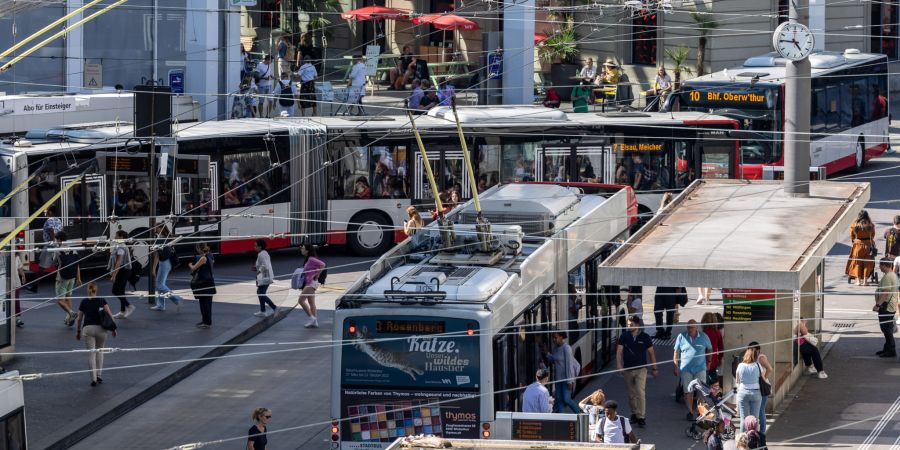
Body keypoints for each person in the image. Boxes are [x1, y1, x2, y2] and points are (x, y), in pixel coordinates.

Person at [616, 315, 657, 428]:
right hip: (628, 369)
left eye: (631, 325)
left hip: (641, 369)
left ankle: (641, 417)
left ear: (637, 325)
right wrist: (619, 364)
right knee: (631, 394)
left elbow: (651, 353)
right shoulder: (624, 336)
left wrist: (654, 368)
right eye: (628, 325)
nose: (629, 327)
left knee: (640, 392)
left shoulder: (645, 337)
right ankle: (634, 412)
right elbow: (619, 351)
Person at [75, 281, 117, 386]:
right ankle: (99, 376)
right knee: (100, 352)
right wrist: (114, 328)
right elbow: (110, 314)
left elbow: (79, 318)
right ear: (96, 290)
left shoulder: (83, 302)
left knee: (91, 354)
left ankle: (93, 379)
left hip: (88, 329)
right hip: (101, 329)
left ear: (88, 290)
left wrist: (78, 331)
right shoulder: (101, 300)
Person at [674, 319, 713, 421]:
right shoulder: (681, 336)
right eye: (688, 327)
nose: (689, 329)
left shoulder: (704, 337)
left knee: (701, 391)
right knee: (688, 391)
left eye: (691, 327)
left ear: (696, 327)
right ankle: (690, 412)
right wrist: (675, 366)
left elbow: (710, 349)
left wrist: (709, 362)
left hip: (700, 368)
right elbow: (676, 352)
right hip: (686, 369)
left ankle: (700, 412)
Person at [151, 226, 184, 312]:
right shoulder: (166, 238)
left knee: (159, 285)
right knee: (161, 284)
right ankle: (161, 305)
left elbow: (156, 256)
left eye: (157, 228)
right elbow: (158, 255)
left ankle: (177, 299)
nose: (155, 229)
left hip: (164, 263)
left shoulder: (161, 239)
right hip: (167, 263)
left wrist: (154, 269)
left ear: (161, 228)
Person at [546, 331, 580, 414]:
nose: (554, 340)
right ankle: (561, 419)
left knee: (566, 399)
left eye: (555, 337)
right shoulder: (555, 348)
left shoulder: (566, 348)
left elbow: (569, 365)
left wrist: (570, 381)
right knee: (559, 400)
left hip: (566, 379)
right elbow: (555, 361)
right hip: (558, 379)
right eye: (553, 338)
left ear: (561, 337)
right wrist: (547, 354)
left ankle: (580, 414)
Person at [53, 231, 81, 326]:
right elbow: (76, 264)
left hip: (62, 277)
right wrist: (79, 278)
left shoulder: (57, 250)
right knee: (68, 297)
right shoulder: (73, 249)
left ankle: (71, 313)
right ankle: (69, 317)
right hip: (72, 277)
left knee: (60, 300)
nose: (56, 241)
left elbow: (54, 262)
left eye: (56, 239)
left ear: (59, 239)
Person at [295, 244, 325, 328]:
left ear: (307, 250)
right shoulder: (308, 259)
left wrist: (317, 275)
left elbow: (323, 264)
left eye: (303, 248)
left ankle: (312, 318)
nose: (301, 250)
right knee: (311, 303)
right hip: (310, 282)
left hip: (311, 283)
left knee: (301, 300)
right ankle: (314, 322)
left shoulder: (311, 259)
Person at [746, 341, 773, 433]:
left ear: (758, 350)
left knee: (761, 410)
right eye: (750, 350)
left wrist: (763, 379)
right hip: (754, 388)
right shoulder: (750, 359)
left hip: (761, 388)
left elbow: (770, 369)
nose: (751, 352)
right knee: (756, 411)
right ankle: (755, 430)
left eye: (753, 350)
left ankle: (762, 432)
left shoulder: (760, 358)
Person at [735, 346, 762, 432]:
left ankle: (742, 439)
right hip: (756, 393)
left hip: (743, 392)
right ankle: (754, 438)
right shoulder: (757, 366)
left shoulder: (740, 365)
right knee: (755, 418)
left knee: (743, 418)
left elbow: (737, 380)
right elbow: (762, 377)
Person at [189, 243, 216, 329]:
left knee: (204, 303)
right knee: (208, 303)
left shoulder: (203, 258)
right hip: (210, 282)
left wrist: (189, 264)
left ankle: (206, 322)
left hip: (203, 283)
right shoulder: (210, 255)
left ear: (199, 249)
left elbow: (193, 268)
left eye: (197, 248)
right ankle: (206, 321)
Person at [109, 230, 135, 318]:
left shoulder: (121, 247)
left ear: (121, 237)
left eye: (116, 235)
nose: (115, 237)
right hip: (125, 270)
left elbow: (119, 261)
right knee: (121, 291)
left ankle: (129, 306)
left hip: (122, 270)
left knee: (115, 291)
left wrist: (114, 275)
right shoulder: (121, 246)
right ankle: (122, 311)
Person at [846, 209, 876, 286]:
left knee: (857, 263)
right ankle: (865, 281)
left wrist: (855, 241)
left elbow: (852, 236)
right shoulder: (871, 225)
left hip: (858, 245)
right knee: (867, 263)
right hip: (868, 245)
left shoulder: (854, 225)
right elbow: (872, 235)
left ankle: (858, 281)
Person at [875, 257, 897, 357]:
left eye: (880, 265)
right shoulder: (892, 275)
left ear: (885, 265)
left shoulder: (888, 276)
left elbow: (885, 292)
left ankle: (891, 350)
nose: (879, 267)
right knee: (886, 328)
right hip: (889, 306)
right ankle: (887, 348)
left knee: (886, 329)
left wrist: (878, 305)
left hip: (886, 307)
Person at [253, 239, 277, 317]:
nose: (254, 247)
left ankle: (275, 308)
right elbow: (264, 264)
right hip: (266, 277)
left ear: (260, 246)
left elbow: (265, 266)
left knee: (261, 294)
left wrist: (258, 271)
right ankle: (263, 311)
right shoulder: (264, 253)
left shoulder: (261, 254)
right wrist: (256, 267)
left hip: (264, 277)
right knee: (259, 293)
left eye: (255, 246)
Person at [701, 312, 724, 385]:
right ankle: (715, 394)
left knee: (705, 383)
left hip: (703, 362)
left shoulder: (702, 334)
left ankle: (706, 395)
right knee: (714, 382)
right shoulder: (717, 333)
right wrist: (719, 359)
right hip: (714, 361)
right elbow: (721, 348)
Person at [39, 206, 63, 271]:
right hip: (58, 244)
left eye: (47, 210)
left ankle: (37, 281)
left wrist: (53, 241)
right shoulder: (59, 220)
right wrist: (59, 242)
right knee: (58, 264)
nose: (46, 212)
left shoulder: (49, 220)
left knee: (42, 265)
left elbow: (51, 230)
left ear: (50, 212)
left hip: (50, 244)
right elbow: (61, 232)